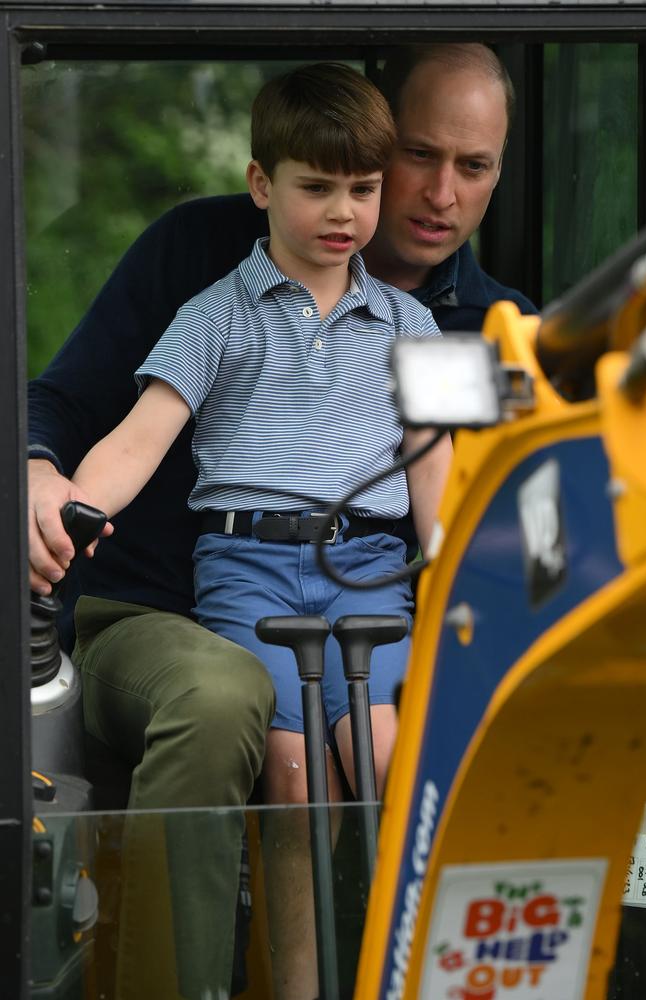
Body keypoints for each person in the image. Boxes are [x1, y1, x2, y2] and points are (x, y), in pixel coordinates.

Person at [27, 42, 537, 999]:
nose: (351, 211)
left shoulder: (443, 326)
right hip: (248, 571)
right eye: (323, 187)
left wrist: (466, 572)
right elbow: (137, 430)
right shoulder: (212, 298)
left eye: (366, 188)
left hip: (373, 571)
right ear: (263, 185)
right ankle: (290, 985)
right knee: (293, 763)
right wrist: (69, 502)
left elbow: (441, 476)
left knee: (386, 754)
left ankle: (410, 975)